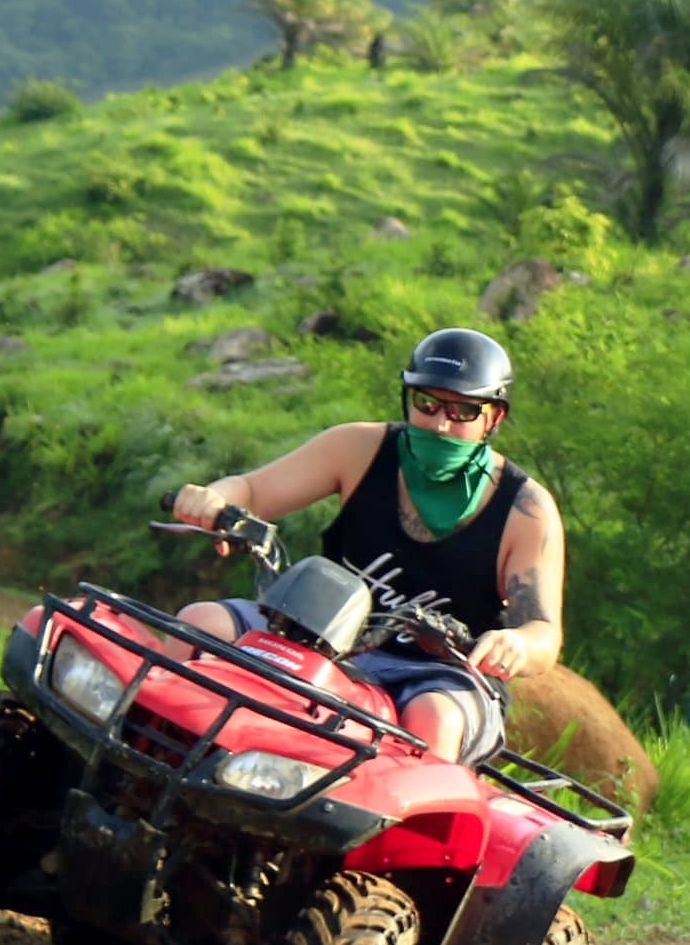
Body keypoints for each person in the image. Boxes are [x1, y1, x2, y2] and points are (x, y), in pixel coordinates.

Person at [168, 327, 563, 764]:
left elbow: (544, 633)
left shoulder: (525, 509)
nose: (440, 424)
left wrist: (517, 644)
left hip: (437, 673)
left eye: (463, 411)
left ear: (494, 418)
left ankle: (403, 827)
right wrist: (213, 499)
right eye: (426, 404)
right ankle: (143, 764)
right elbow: (252, 489)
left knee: (434, 719)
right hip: (315, 634)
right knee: (199, 622)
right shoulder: (359, 449)